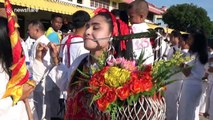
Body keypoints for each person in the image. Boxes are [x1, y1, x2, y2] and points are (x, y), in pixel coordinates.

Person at [64, 8, 130, 119]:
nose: (87, 32)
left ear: (111, 34)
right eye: (87, 27)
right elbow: (66, 88)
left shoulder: (120, 69)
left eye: (96, 28)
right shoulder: (80, 61)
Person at [0, 16, 34, 119]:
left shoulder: (10, 64)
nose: (19, 38)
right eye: (14, 33)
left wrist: (39, 60)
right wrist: (16, 96)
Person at [178, 29, 208, 120]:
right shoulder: (201, 54)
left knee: (185, 112)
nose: (188, 39)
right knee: (191, 112)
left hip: (190, 86)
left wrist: (180, 64)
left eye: (190, 38)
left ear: (196, 41)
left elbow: (187, 73)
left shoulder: (193, 55)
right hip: (196, 85)